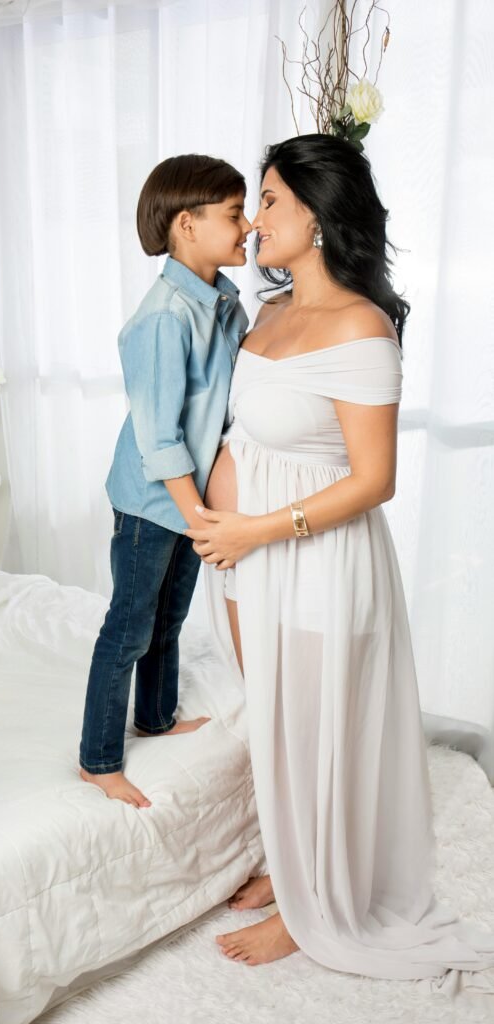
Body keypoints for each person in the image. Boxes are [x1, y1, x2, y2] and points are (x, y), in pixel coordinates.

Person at [187, 134, 494, 991]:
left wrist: (253, 529)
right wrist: (216, 529)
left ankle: (311, 903)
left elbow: (374, 480)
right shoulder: (268, 312)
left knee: (321, 733)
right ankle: (291, 867)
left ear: (319, 218)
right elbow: (241, 430)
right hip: (248, 559)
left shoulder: (360, 326)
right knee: (278, 724)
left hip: (315, 560)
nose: (255, 219)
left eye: (273, 201)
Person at [79, 154, 251, 808]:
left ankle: (153, 717)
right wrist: (200, 519)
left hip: (193, 499)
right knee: (128, 626)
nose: (247, 227)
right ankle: (97, 759)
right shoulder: (162, 317)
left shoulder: (221, 303)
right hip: (156, 500)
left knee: (169, 619)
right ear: (186, 224)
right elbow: (158, 438)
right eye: (234, 215)